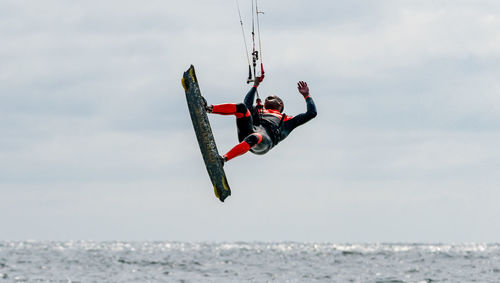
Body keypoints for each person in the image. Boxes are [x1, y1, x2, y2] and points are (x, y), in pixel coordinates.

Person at [205, 76, 317, 165]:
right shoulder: (258, 111)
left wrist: (307, 95)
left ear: (280, 104)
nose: (267, 98)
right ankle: (208, 108)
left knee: (255, 137)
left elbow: (311, 113)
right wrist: (255, 85)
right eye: (267, 98)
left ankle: (223, 159)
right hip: (249, 132)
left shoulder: (287, 120)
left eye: (272, 97)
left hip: (264, 143)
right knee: (241, 107)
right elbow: (247, 104)